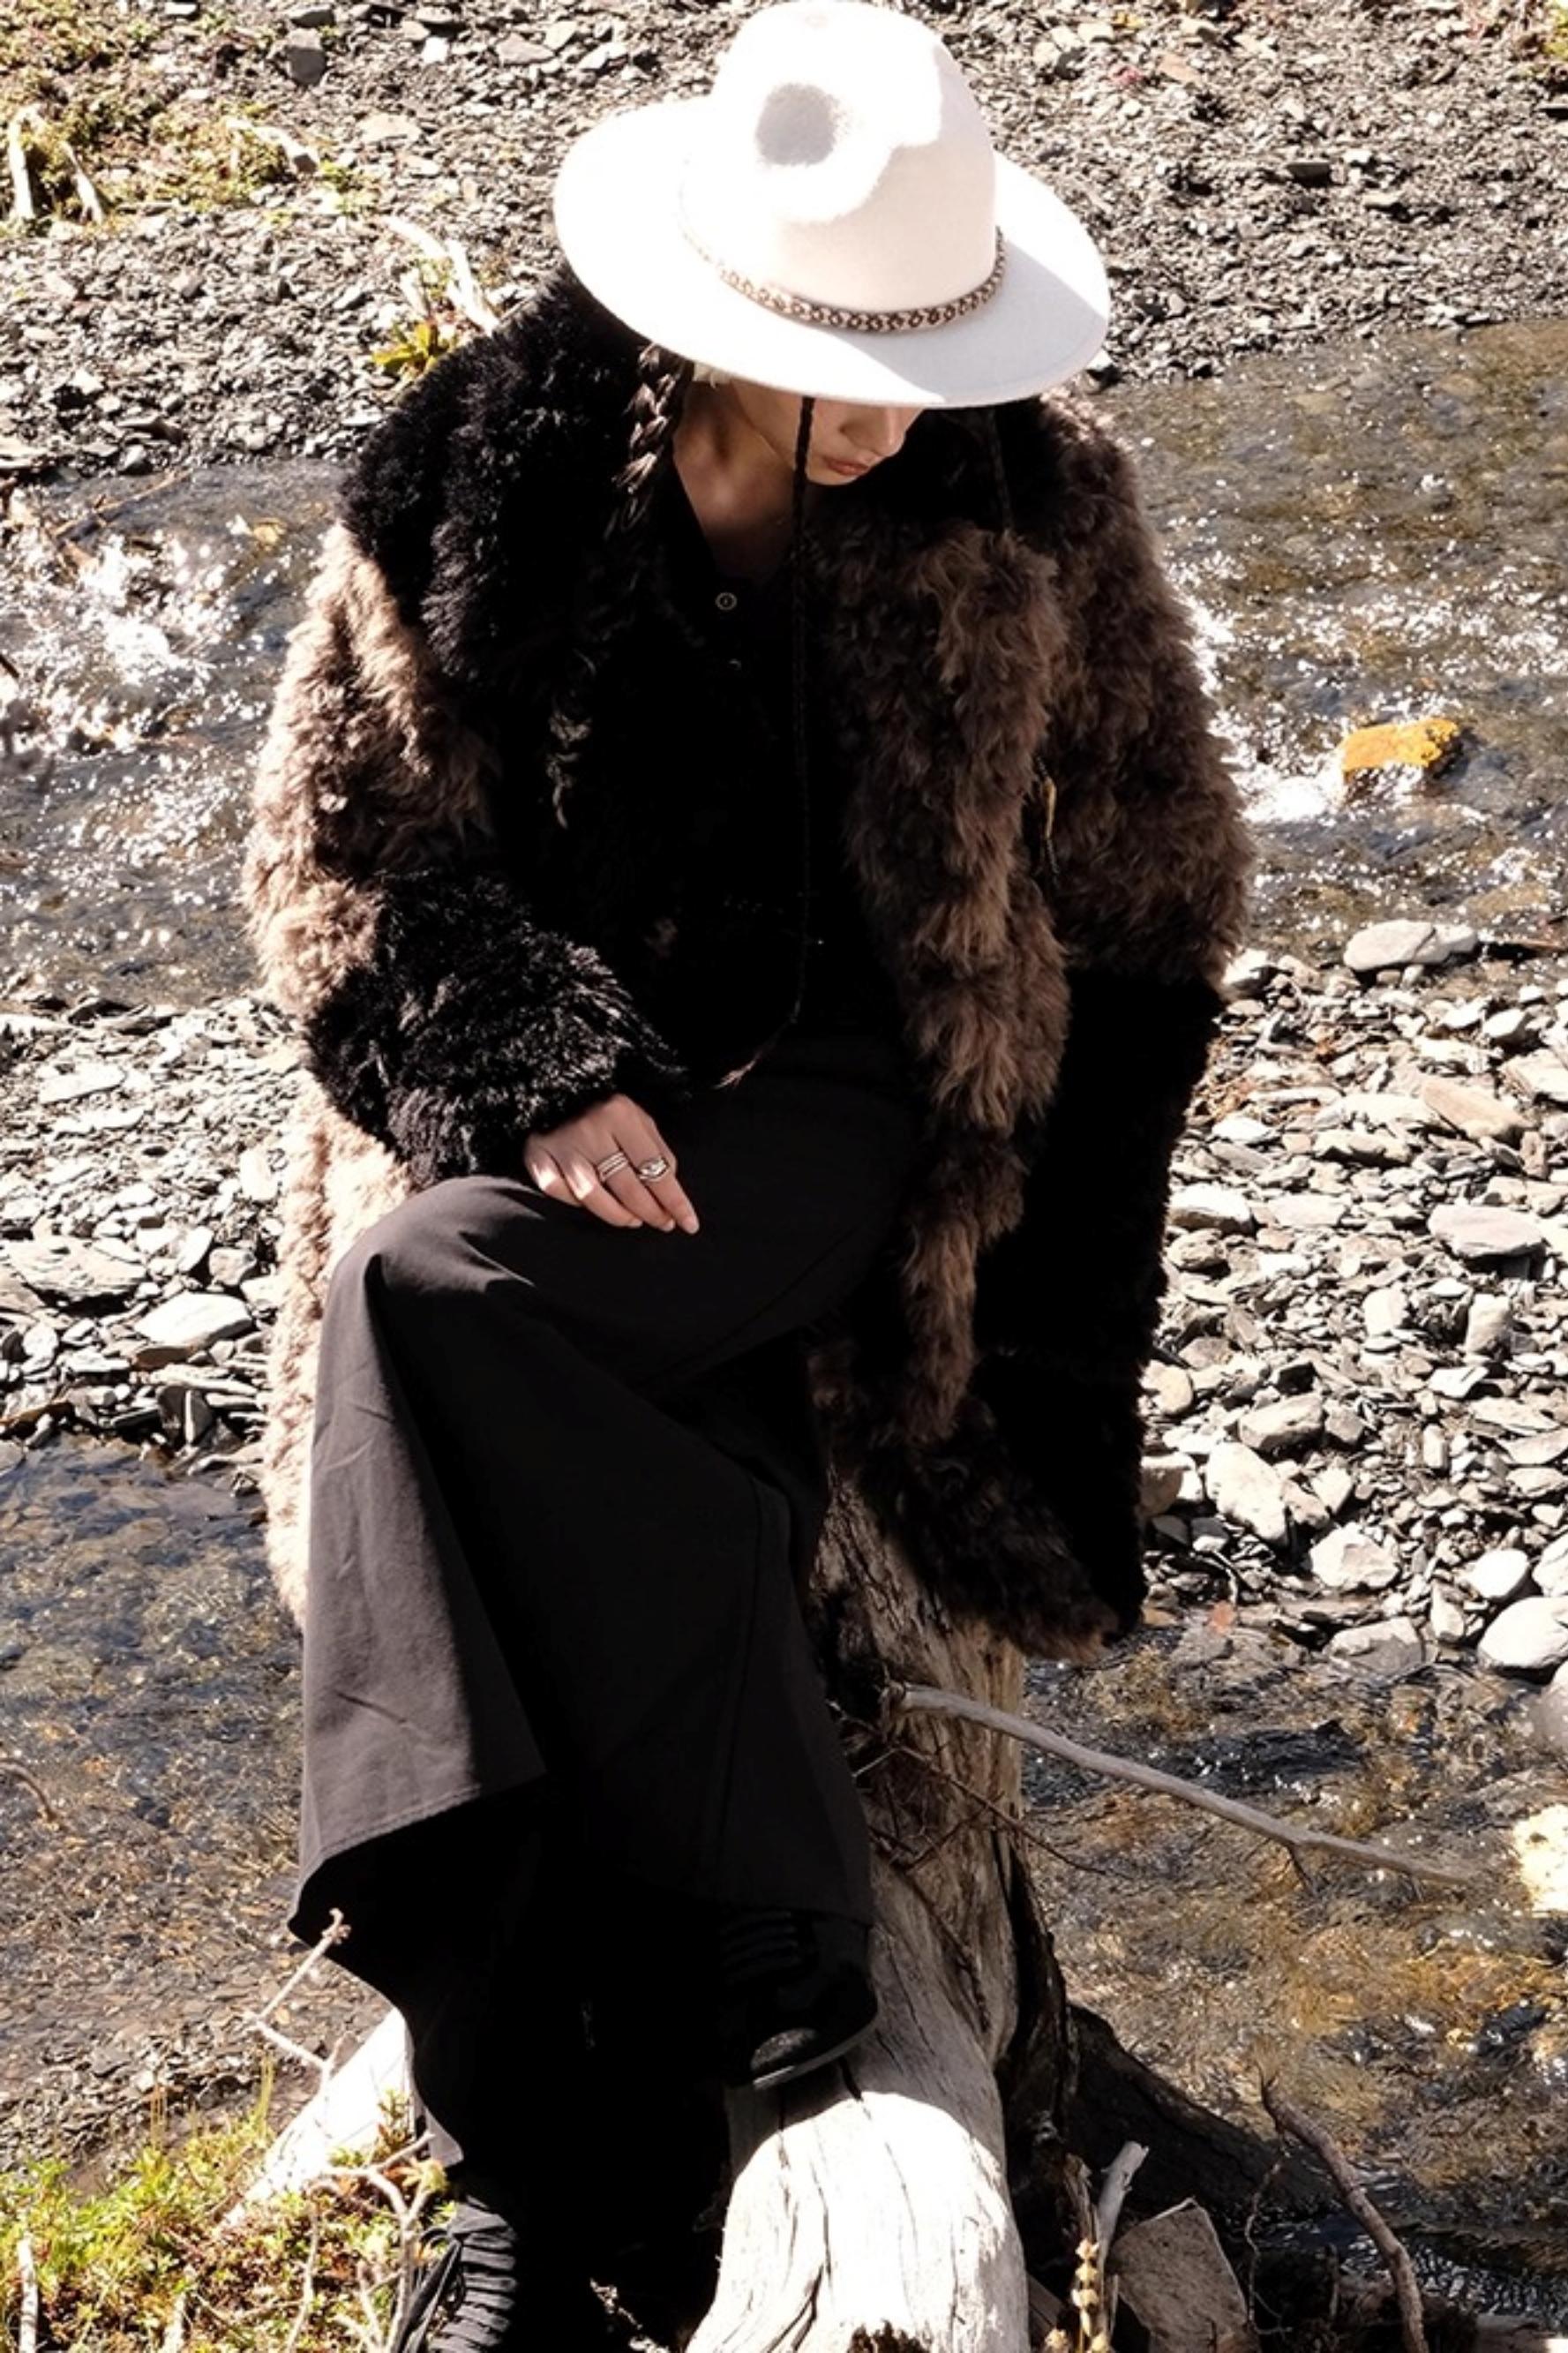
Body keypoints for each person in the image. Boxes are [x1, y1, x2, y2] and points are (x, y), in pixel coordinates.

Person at [241, 3, 1252, 2343]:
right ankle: (619, 2073)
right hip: (572, 1088)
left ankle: (548, 2146)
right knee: (432, 1308)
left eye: (919, 350)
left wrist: (1060, 1318)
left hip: (861, 1097)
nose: (891, 408)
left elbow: (1153, 888)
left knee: (457, 1338)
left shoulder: (1028, 495)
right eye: (839, 364)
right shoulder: (479, 476)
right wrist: (521, 1053)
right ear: (709, 324)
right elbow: (333, 854)